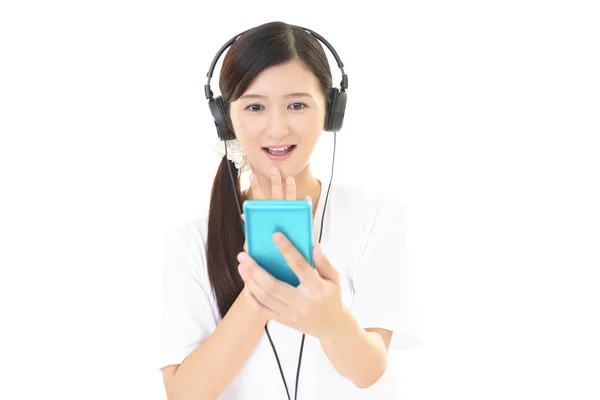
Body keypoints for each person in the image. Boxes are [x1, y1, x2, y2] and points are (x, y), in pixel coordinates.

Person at [158, 21, 421, 400]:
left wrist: (332, 322)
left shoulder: (376, 217)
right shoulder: (189, 241)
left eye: (297, 105)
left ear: (331, 111)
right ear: (224, 119)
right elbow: (185, 394)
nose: (277, 128)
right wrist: (265, 282)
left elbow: (368, 371)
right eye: (254, 107)